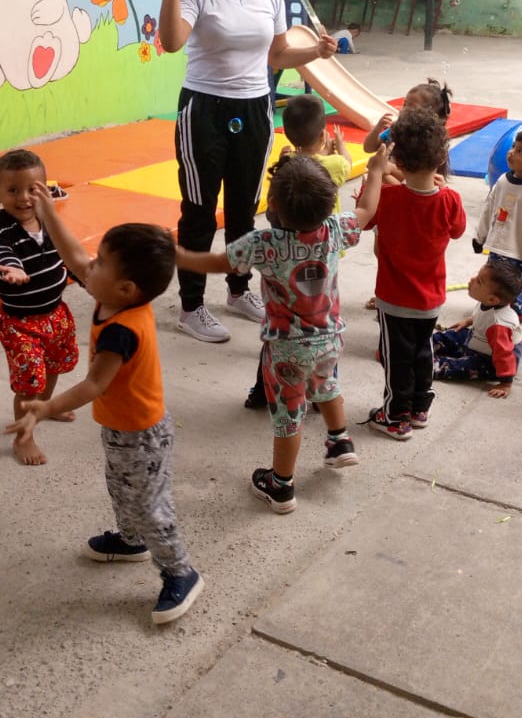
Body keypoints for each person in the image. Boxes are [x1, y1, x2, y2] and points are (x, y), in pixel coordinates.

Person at [6, 221, 204, 625]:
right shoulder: (114, 298)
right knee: (120, 488)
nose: (88, 267)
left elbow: (95, 384)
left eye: (99, 264)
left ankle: (181, 572)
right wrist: (46, 212)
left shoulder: (122, 331)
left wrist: (46, 407)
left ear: (126, 288)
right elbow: (75, 257)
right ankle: (131, 542)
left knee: (149, 506)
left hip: (143, 435)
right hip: (119, 427)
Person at [159, 0, 338, 345]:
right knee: (200, 208)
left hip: (255, 107)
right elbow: (172, 42)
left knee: (245, 205)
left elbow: (277, 56)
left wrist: (316, 52)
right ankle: (191, 306)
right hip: (204, 109)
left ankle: (238, 290)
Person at [177, 149, 389, 514]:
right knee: (325, 384)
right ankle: (339, 441)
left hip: (287, 350)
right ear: (329, 204)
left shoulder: (263, 244)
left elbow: (218, 262)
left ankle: (281, 485)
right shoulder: (336, 229)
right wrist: (376, 171)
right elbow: (367, 209)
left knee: (289, 416)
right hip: (330, 339)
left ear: (272, 204)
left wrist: (179, 256)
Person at [243, 93, 351, 410]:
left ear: (288, 134)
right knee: (321, 326)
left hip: (285, 261)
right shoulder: (333, 164)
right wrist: (338, 145)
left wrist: (287, 157)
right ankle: (321, 395)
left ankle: (261, 391)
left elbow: (275, 205)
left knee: (279, 326)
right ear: (323, 135)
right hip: (321, 262)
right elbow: (345, 162)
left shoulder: (286, 168)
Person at [365, 108, 467, 438]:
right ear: (442, 159)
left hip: (395, 299)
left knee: (396, 359)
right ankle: (420, 407)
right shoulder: (450, 199)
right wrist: (443, 189)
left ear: (399, 162)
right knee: (423, 351)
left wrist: (376, 176)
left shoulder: (388, 197)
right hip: (430, 299)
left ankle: (396, 417)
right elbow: (458, 230)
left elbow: (364, 218)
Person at [0, 149, 81, 467]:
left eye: (32, 189)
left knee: (53, 367)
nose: (24, 198)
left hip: (56, 314)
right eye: (13, 190)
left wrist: (88, 279)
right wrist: (11, 268)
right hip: (21, 324)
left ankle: (46, 407)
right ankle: (23, 437)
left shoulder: (49, 223)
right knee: (29, 383)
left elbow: (69, 257)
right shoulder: (0, 233)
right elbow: (0, 254)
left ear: (46, 192)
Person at [359, 77, 454, 309]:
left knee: (404, 254)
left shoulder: (428, 145)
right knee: (382, 250)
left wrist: (383, 173)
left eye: (411, 106)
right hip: (391, 200)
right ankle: (390, 290)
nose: (403, 109)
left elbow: (415, 182)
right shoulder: (395, 131)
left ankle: (399, 293)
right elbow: (368, 147)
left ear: (429, 114)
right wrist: (377, 130)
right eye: (404, 104)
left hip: (407, 202)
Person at [471, 126, 522, 322]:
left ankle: (512, 327)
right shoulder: (502, 180)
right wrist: (480, 237)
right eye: (513, 147)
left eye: (520, 151)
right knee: (490, 286)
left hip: (519, 256)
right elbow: (488, 209)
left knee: (515, 294)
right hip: (496, 250)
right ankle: (486, 321)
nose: (511, 152)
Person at [432, 258, 522, 398]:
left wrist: (506, 384)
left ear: (492, 299)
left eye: (479, 281)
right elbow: (483, 315)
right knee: (450, 335)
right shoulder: (489, 304)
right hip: (478, 339)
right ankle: (422, 344)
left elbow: (504, 355)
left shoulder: (498, 325)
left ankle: (427, 365)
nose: (472, 279)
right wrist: (468, 321)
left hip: (489, 360)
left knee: (456, 367)